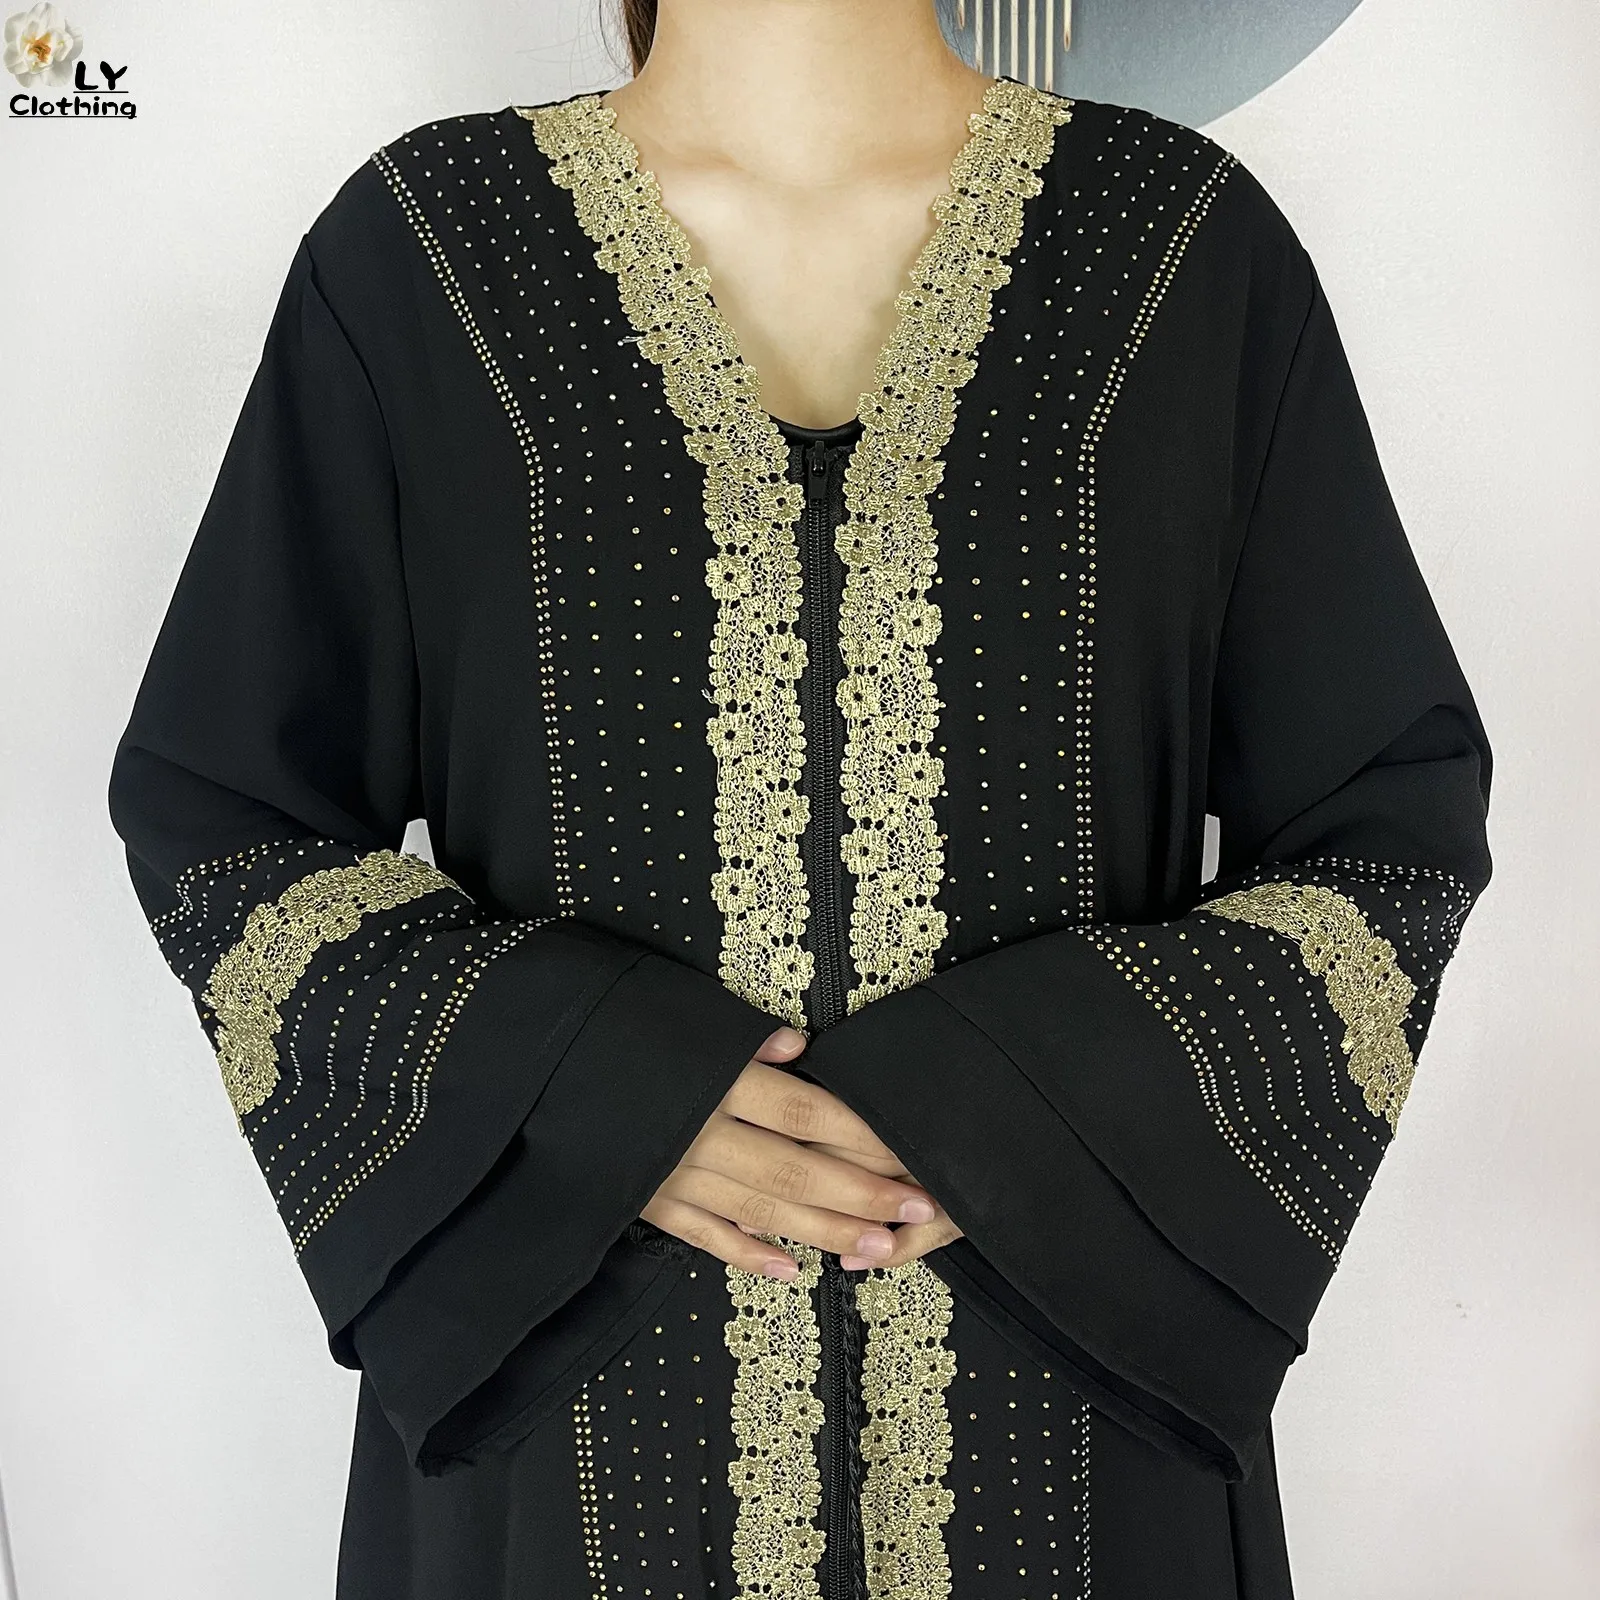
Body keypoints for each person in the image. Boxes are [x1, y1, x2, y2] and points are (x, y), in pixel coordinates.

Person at [106, 0, 1493, 1594]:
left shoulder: (1181, 256)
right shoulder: (429, 259)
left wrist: (1013, 1110)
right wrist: (598, 1098)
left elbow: (1387, 835)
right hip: (579, 1431)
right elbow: (226, 819)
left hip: (1069, 1437)